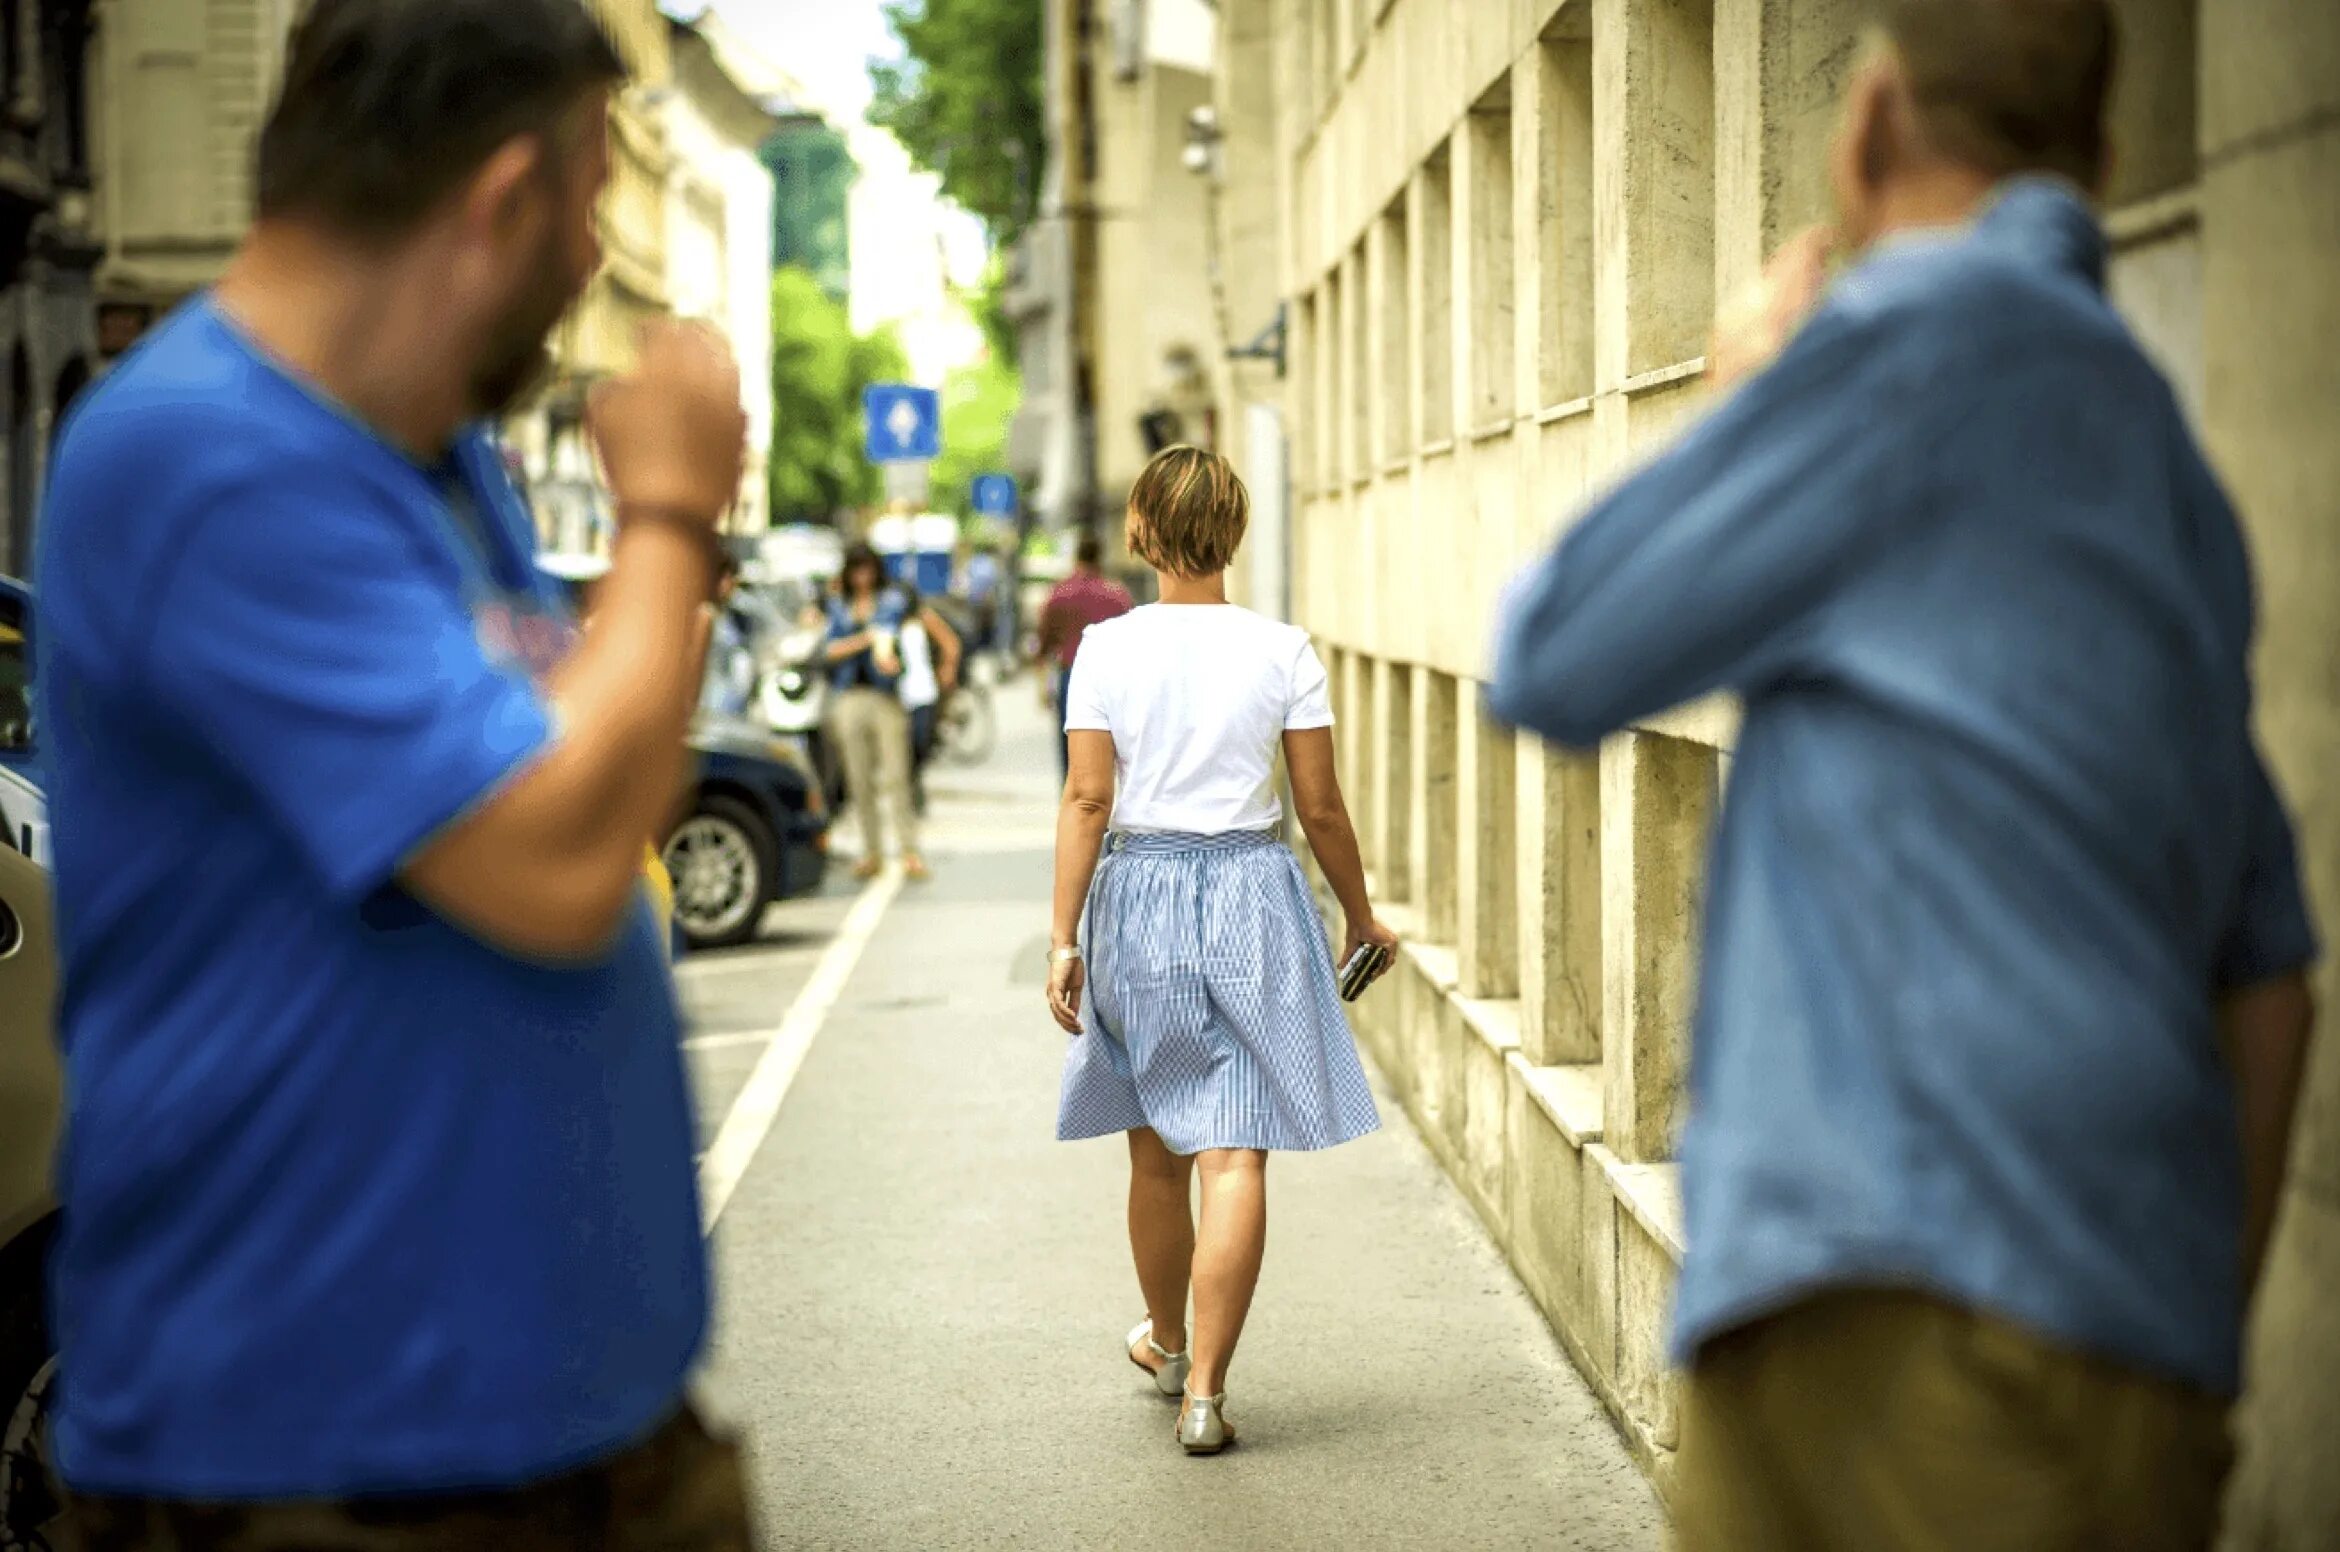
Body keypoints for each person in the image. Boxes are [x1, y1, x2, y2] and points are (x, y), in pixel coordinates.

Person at [1487, 4, 2319, 1548]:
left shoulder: (1916, 344)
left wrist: (1746, 403)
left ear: (1866, 128)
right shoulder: (2158, 454)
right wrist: (2189, 1338)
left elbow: (1556, 652)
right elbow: (2270, 972)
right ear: (2104, 159)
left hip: (1896, 1325)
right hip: (2128, 1351)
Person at [32, 1, 755, 1545]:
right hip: (333, 1468)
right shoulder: (209, 453)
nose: (589, 271)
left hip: (558, 1436)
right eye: (587, 206)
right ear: (502, 199)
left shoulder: (433, 454)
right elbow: (555, 867)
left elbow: (620, 786)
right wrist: (673, 522)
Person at [1047, 445, 1395, 1455]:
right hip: (1253, 890)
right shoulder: (1283, 649)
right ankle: (1205, 1393)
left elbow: (1086, 799)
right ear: (1233, 532)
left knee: (1156, 1151)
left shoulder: (1106, 650)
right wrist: (1361, 915)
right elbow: (1319, 805)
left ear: (1143, 530)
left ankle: (1163, 1341)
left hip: (1142, 893)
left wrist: (1064, 940)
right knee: (1236, 1150)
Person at [825, 541, 927, 881]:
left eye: (867, 569)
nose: (862, 576)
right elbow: (829, 649)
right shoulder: (840, 606)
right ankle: (872, 851)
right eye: (856, 569)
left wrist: (887, 655)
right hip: (850, 695)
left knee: (898, 775)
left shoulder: (891, 601)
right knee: (859, 777)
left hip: (885, 696)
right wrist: (864, 640)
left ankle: (908, 850)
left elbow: (892, 639)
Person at [1037, 531, 1132, 781]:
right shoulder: (1117, 596)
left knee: (1070, 753)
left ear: (1076, 557)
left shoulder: (1060, 593)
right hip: (1111, 679)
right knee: (1107, 753)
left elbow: (1044, 643)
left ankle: (1074, 811)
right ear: (1100, 558)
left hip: (1072, 677)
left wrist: (1042, 687)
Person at [895, 584, 963, 815]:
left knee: (921, 741)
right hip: (898, 693)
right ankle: (909, 790)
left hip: (924, 690)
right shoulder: (887, 621)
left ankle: (914, 781)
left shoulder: (923, 617)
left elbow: (950, 644)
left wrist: (947, 669)